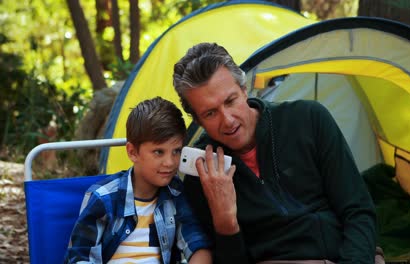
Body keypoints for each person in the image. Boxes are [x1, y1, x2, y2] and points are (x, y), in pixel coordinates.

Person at [172, 43, 378, 264]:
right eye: (210, 113)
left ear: (244, 90)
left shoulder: (309, 119)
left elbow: (358, 211)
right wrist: (226, 221)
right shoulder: (201, 173)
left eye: (230, 101)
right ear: (197, 120)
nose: (228, 120)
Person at [64, 97, 212, 264]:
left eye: (176, 151)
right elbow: (79, 257)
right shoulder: (103, 197)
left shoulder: (175, 194)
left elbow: (196, 243)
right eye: (158, 152)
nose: (170, 162)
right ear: (132, 152)